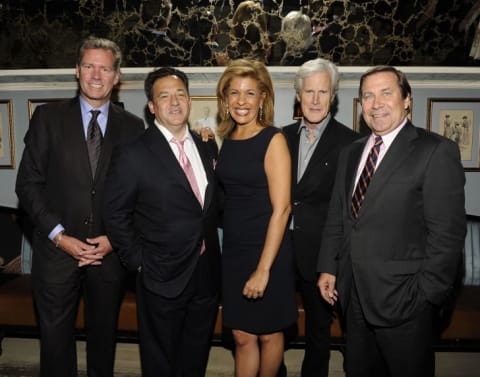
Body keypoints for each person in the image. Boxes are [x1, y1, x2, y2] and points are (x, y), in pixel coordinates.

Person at [317, 65, 466, 377]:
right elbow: (339, 217)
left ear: (407, 99)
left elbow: (447, 236)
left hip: (406, 301)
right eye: (368, 96)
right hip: (354, 296)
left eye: (386, 93)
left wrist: (426, 296)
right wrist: (329, 267)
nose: (376, 103)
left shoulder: (435, 151)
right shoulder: (352, 152)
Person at [15, 36, 145, 377]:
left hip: (108, 255)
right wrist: (61, 237)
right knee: (55, 345)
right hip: (57, 254)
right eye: (89, 66)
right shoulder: (47, 118)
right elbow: (27, 185)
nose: (96, 75)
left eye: (105, 68)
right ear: (77, 71)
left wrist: (114, 239)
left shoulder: (133, 127)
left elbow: (140, 194)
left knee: (103, 341)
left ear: (117, 76)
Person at [103, 67, 221, 377]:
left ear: (190, 100)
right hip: (160, 275)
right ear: (152, 106)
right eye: (164, 96)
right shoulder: (133, 153)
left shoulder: (206, 144)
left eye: (180, 94)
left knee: (195, 357)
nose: (174, 102)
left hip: (206, 274)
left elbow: (209, 207)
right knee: (160, 363)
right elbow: (115, 213)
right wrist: (138, 261)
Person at [215, 58, 297, 377]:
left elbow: (283, 209)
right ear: (225, 99)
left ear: (263, 97)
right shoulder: (228, 141)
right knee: (241, 334)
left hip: (269, 250)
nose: (241, 101)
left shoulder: (273, 139)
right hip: (235, 250)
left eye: (250, 93)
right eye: (234, 93)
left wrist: (263, 270)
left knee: (268, 332)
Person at [282, 58, 358, 377]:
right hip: (280, 250)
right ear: (298, 95)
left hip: (322, 256)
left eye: (322, 92)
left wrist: (334, 260)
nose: (315, 99)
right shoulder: (280, 137)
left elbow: (350, 209)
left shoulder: (351, 143)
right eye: (308, 91)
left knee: (318, 333)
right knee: (274, 327)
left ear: (333, 96)